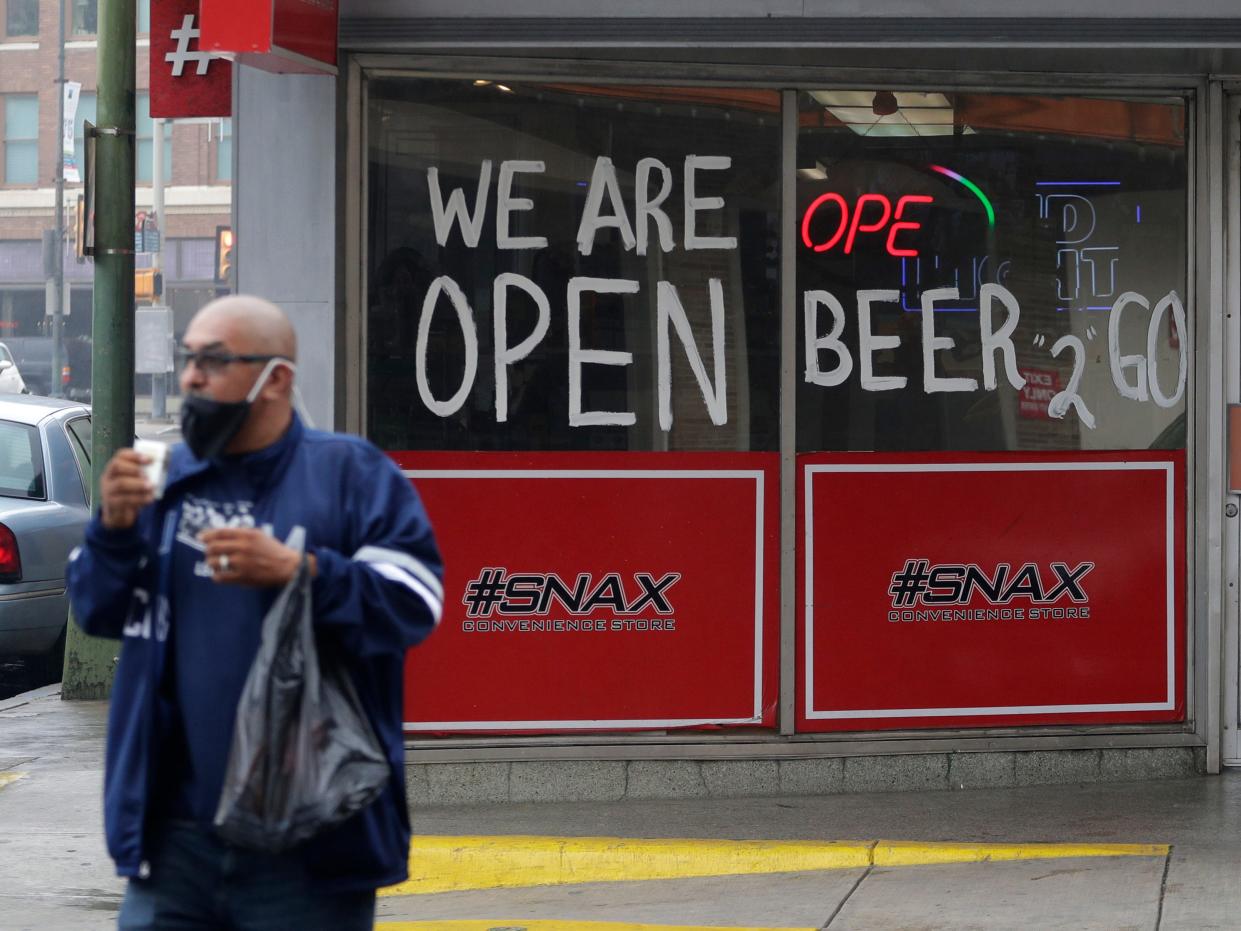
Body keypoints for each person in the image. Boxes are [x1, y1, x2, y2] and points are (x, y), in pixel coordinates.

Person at [67, 295, 443, 930]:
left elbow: (415, 602)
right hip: (173, 841)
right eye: (190, 358)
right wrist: (112, 528)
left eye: (214, 361)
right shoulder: (165, 478)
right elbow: (97, 611)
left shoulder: (350, 475)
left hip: (309, 844)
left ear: (278, 379)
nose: (191, 377)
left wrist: (303, 571)